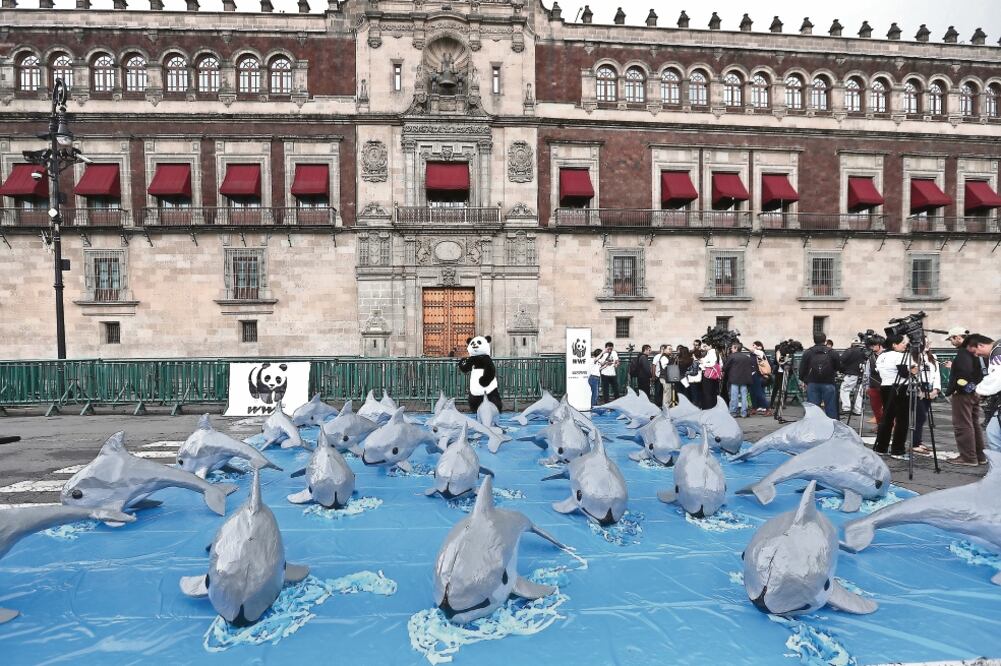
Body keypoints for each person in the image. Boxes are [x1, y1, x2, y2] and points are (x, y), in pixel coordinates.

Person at [943, 327, 984, 465]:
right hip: (974, 391)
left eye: (951, 339)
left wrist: (958, 389)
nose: (951, 342)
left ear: (957, 337)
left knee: (963, 425)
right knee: (973, 424)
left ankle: (968, 457)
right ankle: (980, 456)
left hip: (964, 394)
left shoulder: (963, 353)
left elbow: (963, 375)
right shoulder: (973, 351)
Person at [874, 334, 910, 459]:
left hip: (885, 386)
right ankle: (898, 450)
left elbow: (877, 372)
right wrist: (914, 370)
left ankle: (881, 447)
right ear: (894, 344)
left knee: (887, 417)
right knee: (902, 419)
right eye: (902, 343)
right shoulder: (899, 356)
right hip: (899, 387)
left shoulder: (881, 356)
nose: (905, 345)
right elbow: (904, 373)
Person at [968, 333, 1001, 456]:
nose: (977, 355)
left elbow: (997, 378)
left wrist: (979, 391)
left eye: (976, 351)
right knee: (993, 433)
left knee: (994, 436)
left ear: (981, 345)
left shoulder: (998, 351)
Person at [798, 331, 839, 419]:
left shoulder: (808, 352)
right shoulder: (832, 352)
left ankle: (813, 428)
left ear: (814, 340)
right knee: (831, 408)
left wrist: (805, 380)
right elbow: (838, 366)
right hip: (829, 382)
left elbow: (802, 369)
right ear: (825, 340)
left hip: (812, 382)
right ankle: (832, 428)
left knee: (813, 409)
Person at [909, 342, 940, 457]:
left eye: (928, 342)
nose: (928, 344)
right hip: (918, 391)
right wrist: (919, 391)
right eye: (925, 342)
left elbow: (937, 374)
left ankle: (918, 441)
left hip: (930, 389)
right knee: (920, 416)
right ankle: (914, 443)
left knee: (922, 417)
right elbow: (912, 373)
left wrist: (936, 390)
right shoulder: (912, 357)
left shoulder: (933, 357)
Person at [723, 341, 755, 418]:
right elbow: (751, 367)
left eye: (732, 348)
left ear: (736, 348)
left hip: (734, 379)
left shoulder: (732, 356)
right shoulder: (746, 357)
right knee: (744, 396)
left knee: (734, 396)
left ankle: (734, 412)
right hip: (745, 379)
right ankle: (744, 412)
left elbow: (725, 367)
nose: (731, 349)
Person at [838, 341, 866, 416]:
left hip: (851, 374)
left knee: (844, 389)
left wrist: (842, 369)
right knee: (859, 392)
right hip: (861, 374)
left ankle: (846, 408)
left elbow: (841, 360)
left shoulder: (849, 351)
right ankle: (858, 410)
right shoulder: (864, 351)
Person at [749, 341, 772, 415]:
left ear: (759, 346)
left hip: (757, 375)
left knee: (759, 393)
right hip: (752, 374)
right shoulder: (753, 354)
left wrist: (756, 349)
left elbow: (755, 351)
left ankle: (767, 408)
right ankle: (754, 408)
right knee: (752, 393)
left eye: (754, 345)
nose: (752, 346)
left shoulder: (760, 353)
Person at [866, 338, 885, 425]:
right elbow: (867, 372)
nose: (872, 347)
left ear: (880, 345)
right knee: (875, 408)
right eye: (871, 345)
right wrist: (867, 386)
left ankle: (890, 426)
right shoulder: (870, 357)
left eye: (874, 345)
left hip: (886, 385)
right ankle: (880, 425)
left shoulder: (887, 355)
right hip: (873, 385)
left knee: (888, 409)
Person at [699, 343, 722, 408]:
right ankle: (713, 407)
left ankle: (709, 407)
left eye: (706, 346)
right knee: (713, 392)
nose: (704, 347)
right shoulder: (716, 353)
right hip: (714, 375)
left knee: (708, 392)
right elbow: (720, 364)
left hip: (708, 375)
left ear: (711, 345)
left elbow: (712, 364)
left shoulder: (711, 353)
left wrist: (703, 363)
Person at [770, 342, 788, 410]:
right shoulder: (778, 350)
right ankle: (773, 403)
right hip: (778, 372)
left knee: (783, 389)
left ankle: (782, 403)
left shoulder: (787, 353)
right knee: (777, 388)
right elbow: (777, 361)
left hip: (784, 372)